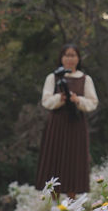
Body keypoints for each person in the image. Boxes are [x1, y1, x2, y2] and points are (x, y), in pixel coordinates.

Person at [35, 43, 98, 196]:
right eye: (67, 55)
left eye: (73, 55)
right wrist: (60, 98)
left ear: (78, 58)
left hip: (76, 123)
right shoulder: (53, 77)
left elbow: (93, 102)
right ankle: (55, 202)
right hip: (57, 123)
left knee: (74, 160)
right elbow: (46, 100)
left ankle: (71, 200)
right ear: (61, 58)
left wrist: (78, 100)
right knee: (54, 158)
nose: (70, 59)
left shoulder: (85, 79)